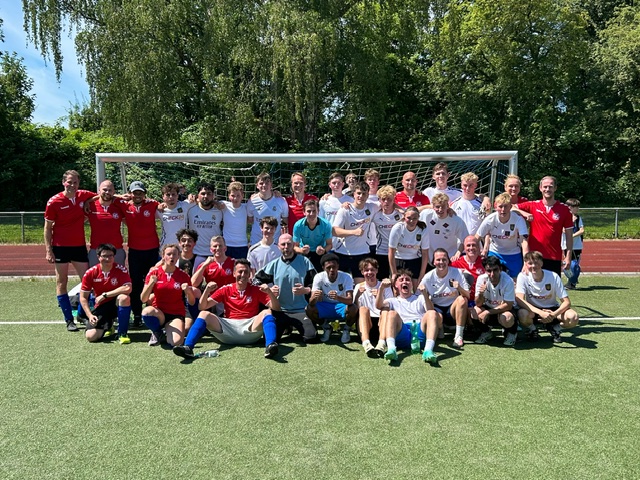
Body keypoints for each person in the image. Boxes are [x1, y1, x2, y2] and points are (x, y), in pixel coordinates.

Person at [173, 259, 281, 359]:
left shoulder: (256, 289)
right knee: (204, 314)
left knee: (267, 312)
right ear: (234, 273)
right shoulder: (226, 289)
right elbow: (202, 307)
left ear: (249, 274)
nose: (243, 275)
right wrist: (207, 290)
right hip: (228, 329)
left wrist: (269, 292)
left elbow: (276, 308)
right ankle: (188, 347)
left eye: (246, 272)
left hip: (250, 329)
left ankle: (270, 346)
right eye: (240, 272)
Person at [44, 170, 96, 331]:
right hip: (60, 247)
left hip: (79, 246)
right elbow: (47, 228)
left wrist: (88, 202)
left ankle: (83, 314)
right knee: (62, 282)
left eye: (75, 182)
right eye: (69, 182)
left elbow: (101, 195)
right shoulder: (54, 202)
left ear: (78, 183)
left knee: (87, 282)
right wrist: (48, 250)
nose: (72, 185)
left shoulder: (82, 195)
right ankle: (68, 319)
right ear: (63, 182)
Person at [253, 234, 318, 343]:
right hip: (280, 311)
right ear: (278, 246)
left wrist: (306, 290)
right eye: (283, 244)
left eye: (289, 244)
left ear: (293, 245)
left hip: (301, 309)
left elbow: (317, 283)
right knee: (271, 338)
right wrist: (269, 290)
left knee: (311, 338)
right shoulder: (274, 264)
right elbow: (255, 281)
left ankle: (292, 326)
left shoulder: (305, 262)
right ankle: (287, 326)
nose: (286, 247)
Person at [516, 251, 579, 343]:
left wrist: (553, 315)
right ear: (525, 264)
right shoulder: (522, 276)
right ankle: (533, 329)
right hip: (534, 310)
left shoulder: (553, 276)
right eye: (530, 263)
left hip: (552, 310)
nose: (533, 266)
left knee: (573, 317)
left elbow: (567, 302)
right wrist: (540, 312)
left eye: (536, 263)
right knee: (522, 313)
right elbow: (519, 299)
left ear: (542, 263)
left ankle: (555, 329)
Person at [376, 270, 439, 365]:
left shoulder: (420, 298)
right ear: (396, 285)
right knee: (391, 313)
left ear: (412, 284)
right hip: (402, 331)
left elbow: (430, 309)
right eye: (401, 280)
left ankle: (428, 350)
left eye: (408, 280)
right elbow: (378, 306)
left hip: (419, 332)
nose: (405, 282)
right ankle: (391, 349)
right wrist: (381, 288)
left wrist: (425, 294)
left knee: (432, 313)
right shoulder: (392, 300)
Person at [120, 180, 160, 328]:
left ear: (145, 194)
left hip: (152, 250)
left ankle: (152, 312)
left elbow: (166, 204)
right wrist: (122, 196)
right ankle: (137, 314)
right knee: (136, 284)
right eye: (135, 192)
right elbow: (107, 196)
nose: (137, 195)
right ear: (130, 193)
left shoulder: (152, 204)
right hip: (135, 251)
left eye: (140, 193)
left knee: (153, 282)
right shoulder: (124, 205)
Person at [515, 176, 573, 276]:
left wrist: (568, 256)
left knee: (552, 285)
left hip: (554, 256)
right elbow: (511, 207)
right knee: (532, 284)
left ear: (555, 188)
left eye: (550, 187)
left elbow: (569, 236)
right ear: (540, 188)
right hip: (534, 256)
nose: (547, 189)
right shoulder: (532, 205)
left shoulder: (564, 209)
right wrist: (524, 213)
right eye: (545, 187)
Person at [141, 243, 196, 347]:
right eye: (169, 254)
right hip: (159, 313)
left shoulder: (183, 276)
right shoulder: (154, 273)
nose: (172, 257)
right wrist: (151, 284)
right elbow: (143, 299)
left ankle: (166, 332)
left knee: (176, 342)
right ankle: (157, 332)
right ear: (163, 256)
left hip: (176, 314)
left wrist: (188, 291)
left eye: (174, 254)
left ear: (178, 256)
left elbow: (192, 302)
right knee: (146, 312)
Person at [79, 243, 132, 344]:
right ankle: (109, 326)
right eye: (104, 256)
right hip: (101, 306)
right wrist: (90, 315)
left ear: (114, 256)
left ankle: (122, 333)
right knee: (91, 336)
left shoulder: (121, 269)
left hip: (116, 303)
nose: (108, 259)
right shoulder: (90, 273)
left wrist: (105, 295)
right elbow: (83, 297)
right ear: (98, 257)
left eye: (110, 255)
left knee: (124, 298)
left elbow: (128, 288)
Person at [419, 248, 470, 349]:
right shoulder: (428, 277)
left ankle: (459, 336)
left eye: (444, 259)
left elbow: (467, 295)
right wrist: (423, 292)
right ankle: (439, 326)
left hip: (452, 309)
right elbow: (419, 297)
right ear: (433, 262)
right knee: (432, 311)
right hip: (437, 309)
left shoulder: (457, 272)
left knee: (462, 300)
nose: (441, 262)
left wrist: (459, 288)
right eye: (438, 260)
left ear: (448, 261)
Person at [332, 181, 379, 284]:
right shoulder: (345, 209)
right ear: (354, 194)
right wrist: (353, 232)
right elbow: (334, 231)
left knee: (361, 287)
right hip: (343, 252)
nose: (361, 196)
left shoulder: (372, 207)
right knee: (341, 285)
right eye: (358, 193)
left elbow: (388, 203)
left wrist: (401, 210)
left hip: (362, 253)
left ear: (367, 195)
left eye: (364, 194)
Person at [307, 253, 358, 343]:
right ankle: (326, 327)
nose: (332, 270)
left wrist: (337, 297)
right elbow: (311, 303)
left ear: (338, 266)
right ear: (323, 267)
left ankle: (346, 329)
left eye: (334, 267)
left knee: (354, 308)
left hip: (341, 306)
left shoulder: (346, 277)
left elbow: (350, 300)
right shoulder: (319, 277)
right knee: (309, 309)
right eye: (328, 267)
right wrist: (314, 297)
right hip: (325, 306)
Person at [476, 193, 529, 279]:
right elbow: (476, 238)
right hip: (495, 252)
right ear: (495, 206)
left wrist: (526, 262)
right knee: (492, 278)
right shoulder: (490, 220)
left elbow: (524, 242)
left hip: (513, 253)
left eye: (506, 206)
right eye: (500, 207)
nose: (503, 210)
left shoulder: (518, 219)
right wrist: (475, 255)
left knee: (516, 280)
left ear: (510, 207)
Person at [472, 256, 517, 346]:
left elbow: (508, 305)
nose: (492, 274)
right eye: (489, 271)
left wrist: (487, 312)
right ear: (485, 270)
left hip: (504, 310)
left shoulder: (508, 281)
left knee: (507, 317)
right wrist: (481, 294)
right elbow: (478, 303)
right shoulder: (481, 279)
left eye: (495, 270)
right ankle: (486, 332)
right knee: (475, 311)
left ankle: (512, 333)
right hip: (489, 308)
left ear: (500, 269)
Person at [354, 258, 392, 357]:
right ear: (362, 272)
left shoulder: (385, 286)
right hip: (365, 324)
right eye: (366, 270)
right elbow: (354, 309)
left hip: (381, 323)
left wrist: (379, 296)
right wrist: (358, 295)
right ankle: (366, 343)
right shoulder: (358, 287)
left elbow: (391, 306)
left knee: (385, 311)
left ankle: (381, 343)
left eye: (372, 270)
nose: (369, 272)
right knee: (363, 309)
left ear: (377, 271)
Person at [86, 179, 126, 267]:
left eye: (110, 190)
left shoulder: (119, 206)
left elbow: (132, 222)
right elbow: (77, 221)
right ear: (99, 190)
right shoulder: (90, 206)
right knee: (95, 275)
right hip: (96, 250)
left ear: (114, 192)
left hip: (116, 250)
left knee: (118, 275)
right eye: (104, 189)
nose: (107, 192)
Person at [388, 206, 430, 288]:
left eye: (414, 218)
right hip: (399, 259)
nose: (411, 221)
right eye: (409, 218)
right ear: (404, 217)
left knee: (417, 288)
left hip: (415, 260)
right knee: (397, 288)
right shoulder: (398, 228)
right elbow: (391, 252)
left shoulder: (423, 229)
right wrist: (394, 273)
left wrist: (422, 274)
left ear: (418, 218)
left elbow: (425, 253)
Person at [419, 193, 469, 262]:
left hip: (449, 259)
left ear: (448, 206)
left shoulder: (456, 220)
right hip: (428, 258)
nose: (440, 210)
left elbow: (465, 240)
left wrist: (457, 254)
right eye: (437, 207)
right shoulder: (426, 215)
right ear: (433, 206)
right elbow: (411, 212)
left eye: (443, 206)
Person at [187, 182, 223, 271]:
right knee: (194, 279)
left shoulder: (221, 210)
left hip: (215, 253)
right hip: (195, 252)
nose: (205, 196)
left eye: (209, 194)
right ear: (197, 195)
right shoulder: (189, 208)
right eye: (203, 193)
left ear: (213, 195)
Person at [247, 172, 289, 245]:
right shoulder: (252, 201)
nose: (264, 185)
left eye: (267, 183)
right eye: (261, 183)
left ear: (271, 185)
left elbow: (285, 220)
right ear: (257, 185)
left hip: (275, 242)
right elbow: (250, 220)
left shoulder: (281, 201)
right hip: (256, 241)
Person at [371, 185, 402, 280]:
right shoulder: (375, 215)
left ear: (393, 200)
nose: (386, 202)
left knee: (397, 280)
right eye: (383, 199)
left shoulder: (401, 214)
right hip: (381, 251)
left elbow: (414, 212)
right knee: (383, 280)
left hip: (398, 253)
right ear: (379, 200)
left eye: (389, 199)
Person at [292, 199, 333, 271]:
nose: (311, 214)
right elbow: (295, 247)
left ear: (318, 211)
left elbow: (329, 244)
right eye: (308, 211)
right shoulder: (298, 225)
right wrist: (302, 250)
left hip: (320, 253)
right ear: (304, 212)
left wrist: (323, 250)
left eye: (314, 211)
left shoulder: (326, 224)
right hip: (304, 253)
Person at [319, 172, 352, 250]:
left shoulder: (350, 201)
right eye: (334, 183)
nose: (336, 185)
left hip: (345, 243)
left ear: (343, 184)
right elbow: (320, 222)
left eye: (339, 183)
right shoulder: (323, 201)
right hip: (328, 242)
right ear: (329, 185)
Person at [220, 181, 251, 259]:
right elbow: (211, 203)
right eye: (233, 195)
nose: (235, 198)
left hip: (242, 245)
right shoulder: (224, 206)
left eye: (238, 195)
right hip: (226, 245)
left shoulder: (246, 207)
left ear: (242, 196)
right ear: (228, 196)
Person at [450, 235, 486, 302]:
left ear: (478, 247)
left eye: (474, 245)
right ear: (464, 247)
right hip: (462, 301)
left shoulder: (485, 262)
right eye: (468, 245)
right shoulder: (455, 263)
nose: (471, 248)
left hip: (480, 301)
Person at [157, 182, 191, 247]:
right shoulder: (159, 210)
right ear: (163, 196)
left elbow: (200, 200)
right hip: (165, 247)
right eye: (168, 195)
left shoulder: (185, 205)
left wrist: (192, 196)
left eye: (173, 194)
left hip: (182, 246)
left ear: (177, 195)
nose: (171, 197)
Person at [562, 198, 584, 289]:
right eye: (576, 207)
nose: (578, 209)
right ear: (570, 207)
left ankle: (572, 282)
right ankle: (571, 281)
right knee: (567, 264)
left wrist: (572, 236)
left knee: (574, 265)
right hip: (566, 245)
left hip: (576, 246)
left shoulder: (578, 218)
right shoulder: (563, 217)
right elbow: (563, 230)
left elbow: (582, 230)